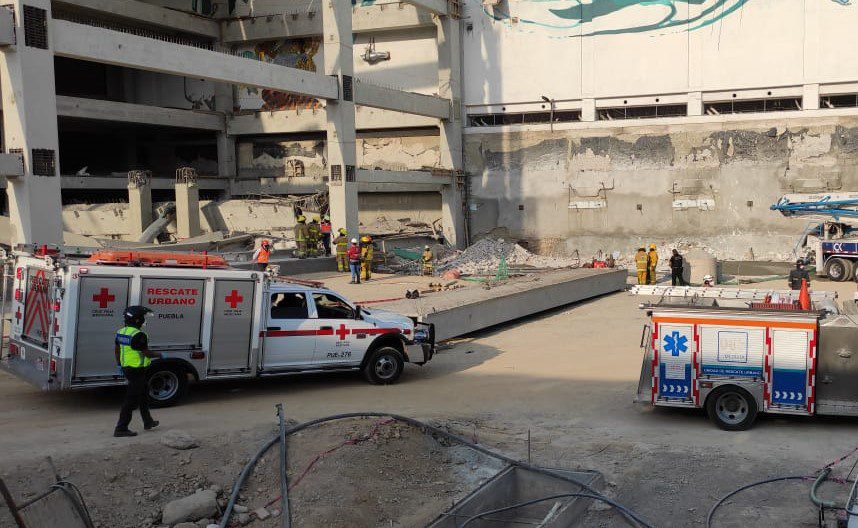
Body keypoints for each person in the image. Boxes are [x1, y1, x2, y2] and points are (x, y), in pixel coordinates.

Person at [114, 306, 162, 438]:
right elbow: (146, 353)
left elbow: (117, 350)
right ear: (136, 320)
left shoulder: (121, 332)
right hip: (137, 370)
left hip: (127, 368)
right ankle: (121, 428)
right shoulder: (139, 335)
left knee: (143, 395)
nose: (143, 321)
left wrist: (119, 364)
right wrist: (160, 355)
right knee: (131, 400)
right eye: (142, 318)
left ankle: (148, 421)